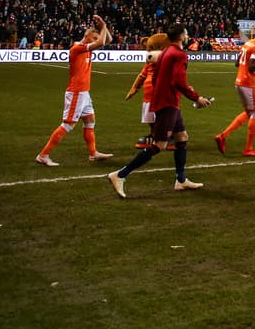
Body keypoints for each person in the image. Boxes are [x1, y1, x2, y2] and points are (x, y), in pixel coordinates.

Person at [107, 24, 212, 198]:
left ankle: (181, 180)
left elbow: (155, 77)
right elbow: (178, 81)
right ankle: (120, 175)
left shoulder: (164, 53)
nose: (187, 36)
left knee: (182, 137)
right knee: (160, 144)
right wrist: (196, 98)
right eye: (186, 34)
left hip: (166, 101)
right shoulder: (179, 54)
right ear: (181, 36)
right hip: (168, 103)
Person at [36, 14, 115, 166]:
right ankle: (43, 155)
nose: (96, 40)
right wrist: (103, 26)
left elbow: (107, 40)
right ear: (86, 36)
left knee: (90, 121)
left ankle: (93, 153)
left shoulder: (87, 49)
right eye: (93, 38)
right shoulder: (77, 48)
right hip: (76, 92)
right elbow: (100, 42)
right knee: (68, 125)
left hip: (84, 92)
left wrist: (103, 27)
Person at [214, 25, 255, 157]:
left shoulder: (248, 43)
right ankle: (248, 148)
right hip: (250, 83)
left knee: (249, 112)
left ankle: (223, 136)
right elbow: (252, 66)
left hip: (239, 81)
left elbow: (237, 63)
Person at [124, 31, 166, 149]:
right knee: (151, 120)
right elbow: (142, 76)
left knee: (162, 118)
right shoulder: (149, 64)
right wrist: (134, 89)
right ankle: (154, 135)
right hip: (148, 96)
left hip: (161, 96)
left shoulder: (167, 63)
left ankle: (167, 137)